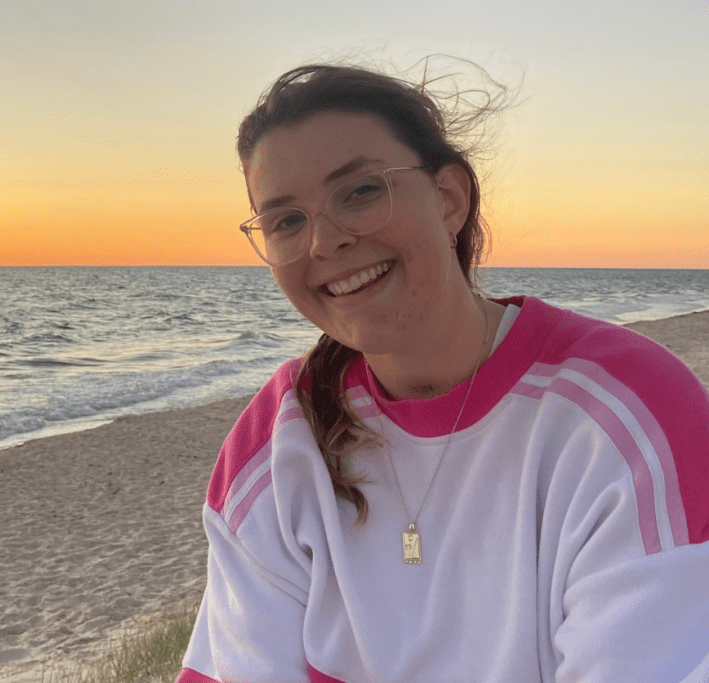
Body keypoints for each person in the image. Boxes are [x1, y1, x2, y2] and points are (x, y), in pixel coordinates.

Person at [174, 62, 709, 683]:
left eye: (361, 190)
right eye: (286, 220)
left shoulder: (626, 417)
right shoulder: (276, 444)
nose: (324, 242)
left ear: (450, 198)